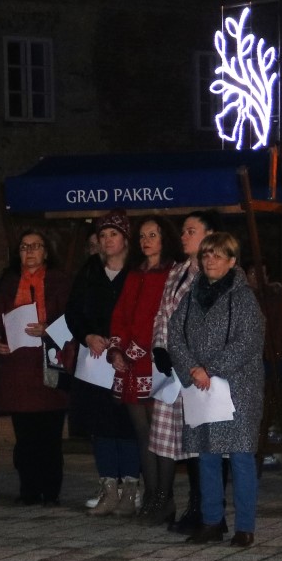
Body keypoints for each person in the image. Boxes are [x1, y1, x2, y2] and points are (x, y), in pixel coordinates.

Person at [167, 231, 266, 547]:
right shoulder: (190, 295)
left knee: (240, 456)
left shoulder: (244, 298)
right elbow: (174, 335)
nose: (210, 260)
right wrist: (193, 370)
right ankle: (211, 522)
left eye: (218, 255)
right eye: (206, 254)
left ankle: (245, 527)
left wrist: (210, 369)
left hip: (237, 389)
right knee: (206, 454)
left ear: (232, 261)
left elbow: (248, 342)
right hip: (201, 388)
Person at [0, 229, 71, 505]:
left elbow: (73, 318)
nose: (30, 251)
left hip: (49, 363)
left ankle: (50, 490)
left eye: (36, 246)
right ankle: (28, 489)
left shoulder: (60, 280)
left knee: (49, 433)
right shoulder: (9, 280)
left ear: (46, 251)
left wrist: (49, 329)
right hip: (18, 368)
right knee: (24, 435)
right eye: (24, 247)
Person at [66, 212, 140, 514]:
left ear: (125, 238)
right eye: (103, 235)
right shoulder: (89, 271)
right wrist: (87, 336)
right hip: (96, 363)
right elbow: (73, 312)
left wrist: (123, 344)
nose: (107, 240)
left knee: (129, 424)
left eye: (113, 234)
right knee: (102, 424)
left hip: (128, 359)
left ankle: (132, 488)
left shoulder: (137, 272)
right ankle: (109, 486)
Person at [152, 211, 221, 531]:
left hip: (196, 369)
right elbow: (162, 315)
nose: (183, 236)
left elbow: (206, 325)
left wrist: (188, 359)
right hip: (173, 371)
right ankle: (191, 507)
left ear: (209, 234)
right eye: (183, 231)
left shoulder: (210, 273)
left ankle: (203, 508)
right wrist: (159, 348)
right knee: (181, 440)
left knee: (199, 442)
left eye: (191, 230)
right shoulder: (177, 270)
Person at [108, 217, 176, 521]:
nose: (147, 240)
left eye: (153, 235)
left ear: (164, 239)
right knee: (143, 432)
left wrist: (135, 351)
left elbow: (161, 317)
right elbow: (121, 313)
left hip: (155, 362)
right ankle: (151, 493)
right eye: (143, 236)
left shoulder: (171, 273)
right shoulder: (134, 274)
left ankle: (165, 496)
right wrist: (117, 350)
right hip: (131, 363)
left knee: (161, 432)